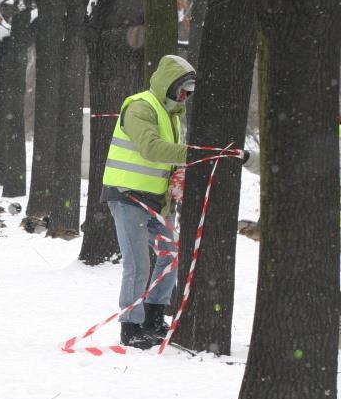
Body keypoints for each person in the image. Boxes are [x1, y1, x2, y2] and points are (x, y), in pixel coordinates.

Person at [101, 55, 256, 349]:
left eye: (190, 91)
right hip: (127, 197)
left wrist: (177, 178)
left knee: (171, 254)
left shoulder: (172, 114)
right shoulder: (140, 107)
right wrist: (196, 154)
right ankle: (131, 328)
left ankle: (154, 316)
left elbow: (168, 159)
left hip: (156, 202)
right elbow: (151, 148)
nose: (185, 96)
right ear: (168, 85)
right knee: (137, 265)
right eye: (182, 89)